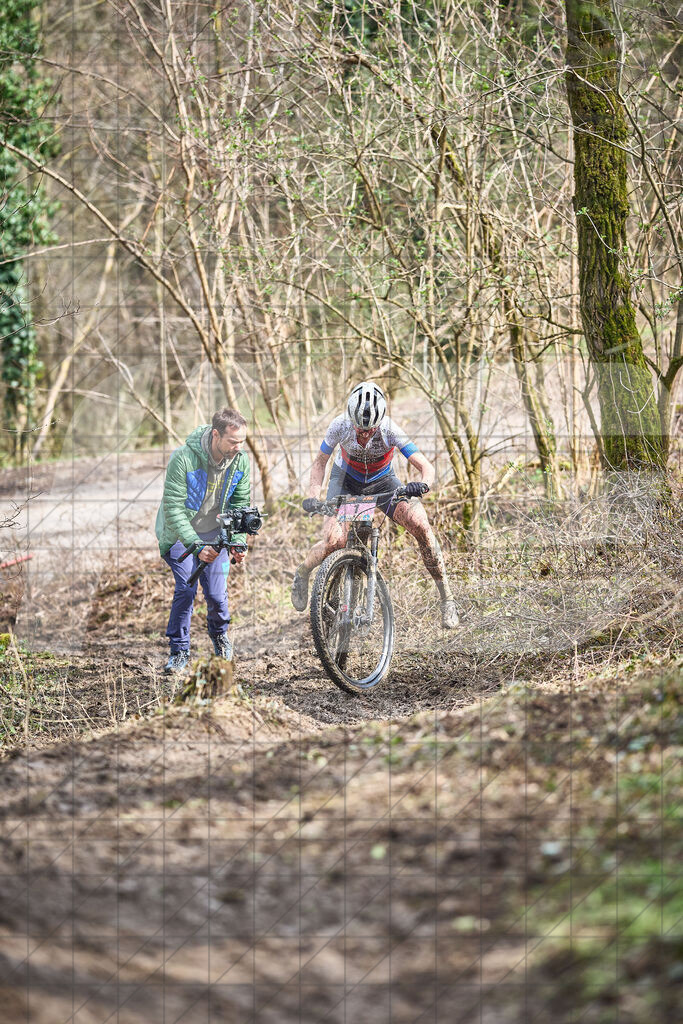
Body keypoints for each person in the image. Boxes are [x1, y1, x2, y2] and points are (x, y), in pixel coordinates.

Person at [291, 381, 459, 629]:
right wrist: (315, 496)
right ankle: (303, 571)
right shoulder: (339, 425)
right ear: (351, 419)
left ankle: (447, 599)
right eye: (360, 428)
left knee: (420, 524)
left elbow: (426, 467)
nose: (364, 434)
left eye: (371, 429)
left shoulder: (391, 429)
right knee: (334, 542)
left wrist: (422, 484)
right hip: (347, 482)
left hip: (383, 483)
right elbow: (319, 463)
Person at [155, 408, 250, 673]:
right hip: (179, 534)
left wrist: (238, 543)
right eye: (233, 442)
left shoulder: (240, 461)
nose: (238, 448)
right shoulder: (183, 458)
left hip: (215, 535)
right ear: (216, 435)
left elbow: (241, 506)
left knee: (217, 596)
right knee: (186, 589)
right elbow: (173, 510)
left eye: (242, 441)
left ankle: (220, 637)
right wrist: (196, 546)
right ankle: (178, 651)